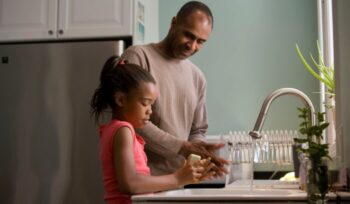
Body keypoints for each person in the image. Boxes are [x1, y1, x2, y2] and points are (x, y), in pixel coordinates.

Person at [121, 1, 228, 176]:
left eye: (200, 41)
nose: (192, 46)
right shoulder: (138, 57)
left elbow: (197, 130)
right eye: (188, 35)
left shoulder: (197, 77)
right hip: (141, 180)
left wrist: (199, 154)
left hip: (178, 182)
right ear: (174, 23)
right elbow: (129, 118)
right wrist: (182, 147)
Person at [90, 56, 216, 204]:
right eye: (145, 103)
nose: (150, 111)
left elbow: (137, 182)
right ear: (120, 100)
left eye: (152, 105)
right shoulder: (123, 131)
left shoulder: (115, 130)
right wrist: (177, 178)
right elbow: (129, 184)